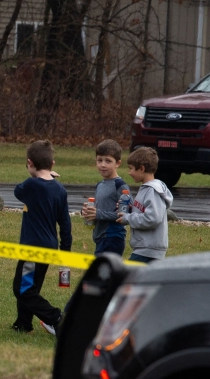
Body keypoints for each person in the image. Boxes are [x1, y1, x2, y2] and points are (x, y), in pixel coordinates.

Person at [12, 140, 72, 336]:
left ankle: (56, 318)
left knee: (22, 289)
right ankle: (23, 324)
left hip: (32, 248)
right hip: (50, 246)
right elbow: (65, 224)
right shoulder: (60, 190)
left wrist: (35, 175)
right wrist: (66, 252)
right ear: (52, 164)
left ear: (30, 163)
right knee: (31, 286)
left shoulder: (31, 185)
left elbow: (17, 191)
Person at [118, 147, 173, 263]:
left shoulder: (152, 191)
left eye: (131, 168)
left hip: (148, 250)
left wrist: (127, 218)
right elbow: (143, 210)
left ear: (142, 169)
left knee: (129, 278)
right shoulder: (146, 189)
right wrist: (130, 209)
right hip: (143, 248)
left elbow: (151, 218)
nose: (129, 172)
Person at [80, 139, 127, 257]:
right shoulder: (100, 185)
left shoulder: (120, 185)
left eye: (108, 161)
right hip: (100, 237)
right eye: (99, 160)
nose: (103, 165)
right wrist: (87, 211)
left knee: (104, 274)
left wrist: (98, 214)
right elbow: (98, 209)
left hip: (113, 237)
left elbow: (125, 215)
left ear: (118, 163)